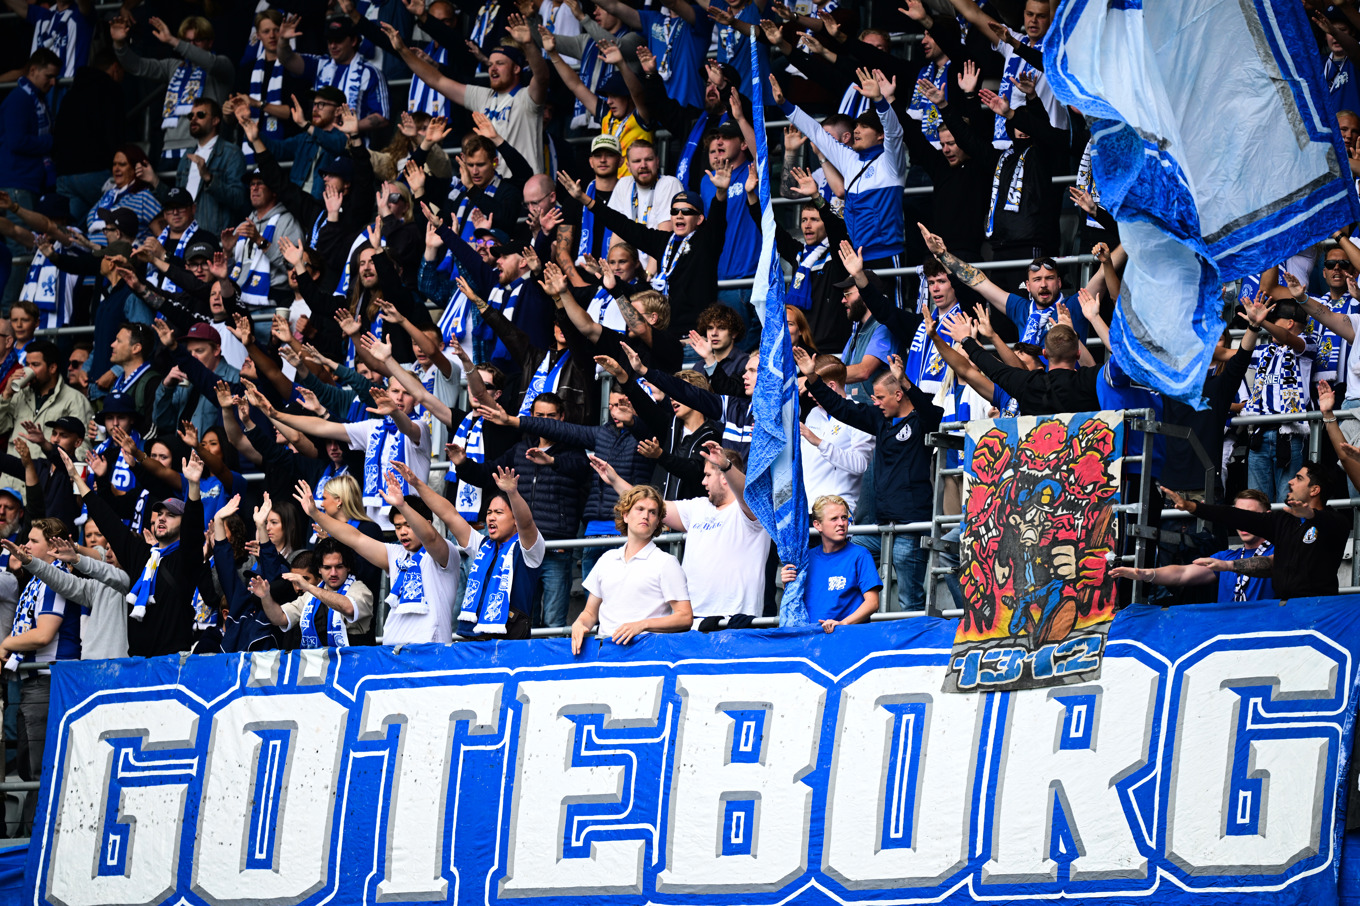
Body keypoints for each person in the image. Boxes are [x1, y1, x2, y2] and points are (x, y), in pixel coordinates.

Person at [795, 348, 943, 612]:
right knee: (849, 550)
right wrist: (812, 378)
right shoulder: (879, 419)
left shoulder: (921, 421)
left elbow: (932, 413)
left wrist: (907, 382)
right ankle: (843, 616)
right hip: (881, 523)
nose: (876, 403)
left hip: (911, 525)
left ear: (899, 395)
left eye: (881, 397)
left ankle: (916, 643)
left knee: (910, 600)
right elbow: (842, 408)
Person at [771, 69, 908, 305]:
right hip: (856, 257)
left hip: (887, 254)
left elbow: (895, 131)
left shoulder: (891, 161)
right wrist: (785, 105)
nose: (856, 130)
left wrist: (879, 100)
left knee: (892, 312)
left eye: (864, 127)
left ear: (880, 135)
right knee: (862, 315)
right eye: (856, 127)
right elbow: (815, 131)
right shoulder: (849, 160)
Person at [591, 441, 769, 619]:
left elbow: (750, 495)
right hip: (693, 620)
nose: (703, 481)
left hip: (735, 618)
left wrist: (726, 466)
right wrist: (614, 480)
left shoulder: (751, 509)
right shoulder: (698, 507)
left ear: (724, 476)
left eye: (707, 475)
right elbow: (648, 505)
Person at [560, 165, 729, 339]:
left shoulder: (706, 241)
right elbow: (624, 225)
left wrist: (721, 194)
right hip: (666, 335)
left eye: (686, 212)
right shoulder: (663, 241)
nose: (679, 215)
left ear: (700, 218)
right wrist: (585, 199)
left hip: (696, 337)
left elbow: (717, 223)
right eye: (674, 211)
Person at [73, 446, 206, 657]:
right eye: (159, 513)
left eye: (171, 515)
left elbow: (194, 530)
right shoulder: (141, 555)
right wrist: (77, 479)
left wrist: (193, 485)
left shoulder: (186, 558)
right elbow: (108, 522)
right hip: (137, 666)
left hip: (172, 666)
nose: (162, 518)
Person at [298, 474, 457, 645]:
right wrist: (315, 513)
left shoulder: (445, 551)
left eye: (408, 525)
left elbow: (430, 538)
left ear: (427, 523)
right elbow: (355, 538)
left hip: (431, 650)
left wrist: (402, 505)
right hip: (392, 651)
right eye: (397, 527)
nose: (402, 532)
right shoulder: (396, 553)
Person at [396, 461, 547, 640]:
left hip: (511, 644)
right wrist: (417, 484)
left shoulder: (529, 550)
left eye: (498, 513)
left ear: (515, 520)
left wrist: (512, 493)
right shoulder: (483, 547)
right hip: (477, 642)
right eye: (489, 512)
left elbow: (527, 523)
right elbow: (450, 515)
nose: (491, 517)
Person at [1160, 460, 1349, 600]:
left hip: (1320, 610)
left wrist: (1311, 515)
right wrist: (1192, 507)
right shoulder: (1283, 520)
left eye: (1298, 478)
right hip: (1283, 610)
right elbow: (1236, 516)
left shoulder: (1336, 522)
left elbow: (1330, 522)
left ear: (1314, 490)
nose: (1291, 482)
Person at [0, 516, 80, 835]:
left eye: (33, 541)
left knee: (39, 772)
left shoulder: (54, 577)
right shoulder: (37, 579)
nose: (25, 546)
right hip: (35, 682)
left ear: (52, 549)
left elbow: (44, 633)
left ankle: (32, 845)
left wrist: (5, 644)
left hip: (47, 682)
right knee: (30, 769)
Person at [383, 19, 549, 174]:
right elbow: (437, 80)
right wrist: (403, 50)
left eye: (500, 64)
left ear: (516, 69)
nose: (492, 69)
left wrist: (528, 44)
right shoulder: (483, 96)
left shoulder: (527, 98)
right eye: (490, 64)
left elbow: (542, 76)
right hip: (494, 189)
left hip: (527, 191)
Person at [919, 222, 1088, 344]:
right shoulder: (1021, 308)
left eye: (1049, 278)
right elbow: (979, 281)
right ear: (1027, 286)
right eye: (1037, 279)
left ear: (1059, 283)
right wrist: (943, 255)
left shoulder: (1073, 304)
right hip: (1031, 384)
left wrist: (1107, 261)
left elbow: (1101, 278)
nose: (1043, 284)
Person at [572, 484, 692, 653]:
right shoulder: (607, 559)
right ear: (626, 515)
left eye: (652, 512)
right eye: (640, 509)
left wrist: (642, 625)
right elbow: (590, 614)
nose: (646, 516)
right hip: (604, 651)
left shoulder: (666, 562)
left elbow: (685, 617)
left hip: (646, 652)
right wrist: (579, 624)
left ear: (658, 521)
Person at [110, 13, 235, 167]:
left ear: (210, 43)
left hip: (205, 148)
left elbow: (208, 62)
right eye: (187, 41)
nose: (191, 45)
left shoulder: (221, 65)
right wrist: (119, 45)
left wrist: (173, 41)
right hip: (170, 149)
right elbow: (138, 67)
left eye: (197, 40)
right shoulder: (174, 66)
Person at [1111, 490, 1275, 603]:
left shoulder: (1280, 550)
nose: (1243, 521)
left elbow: (1271, 563)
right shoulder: (1226, 557)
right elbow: (1182, 574)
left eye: (1250, 515)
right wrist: (1146, 573)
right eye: (1238, 515)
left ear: (1267, 517)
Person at [1242, 298, 1316, 503]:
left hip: (1289, 436)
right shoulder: (1264, 351)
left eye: (1274, 320)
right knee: (1256, 500)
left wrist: (1261, 321)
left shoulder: (1307, 344)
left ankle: (1285, 536)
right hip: (1260, 434)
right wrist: (1252, 324)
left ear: (1289, 323)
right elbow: (1233, 355)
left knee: (1289, 500)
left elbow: (1286, 337)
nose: (1270, 324)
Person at [141, 97, 246, 237]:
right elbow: (177, 198)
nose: (193, 119)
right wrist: (154, 181)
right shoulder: (187, 155)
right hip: (186, 236)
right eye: (191, 116)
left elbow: (238, 199)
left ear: (215, 120)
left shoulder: (232, 153)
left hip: (214, 237)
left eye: (200, 115)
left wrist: (209, 178)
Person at [779, 494, 882, 632]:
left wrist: (843, 623)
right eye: (834, 519)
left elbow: (873, 603)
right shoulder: (806, 559)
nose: (841, 523)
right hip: (811, 638)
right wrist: (787, 583)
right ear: (817, 525)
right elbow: (795, 601)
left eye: (844, 517)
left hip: (848, 637)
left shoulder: (860, 555)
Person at [277, 16, 389, 140]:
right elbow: (287, 59)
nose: (333, 46)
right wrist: (282, 41)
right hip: (320, 147)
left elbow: (381, 117)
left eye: (338, 40)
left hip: (353, 149)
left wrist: (349, 127)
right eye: (330, 41)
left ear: (353, 41)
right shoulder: (320, 64)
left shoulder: (370, 73)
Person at [800, 355, 874, 514]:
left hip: (837, 513)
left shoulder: (859, 414)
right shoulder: (813, 413)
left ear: (831, 386)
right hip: (806, 509)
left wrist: (820, 442)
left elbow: (860, 465)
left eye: (813, 387)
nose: (810, 394)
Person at [0, 339, 94, 457]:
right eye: (27, 365)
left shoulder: (75, 400)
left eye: (35, 365)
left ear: (52, 368)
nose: (28, 370)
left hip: (46, 474)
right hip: (13, 474)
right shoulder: (18, 395)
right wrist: (6, 395)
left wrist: (61, 472)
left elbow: (82, 447)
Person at [229, 170, 303, 308]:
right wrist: (227, 252)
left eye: (260, 183)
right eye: (252, 184)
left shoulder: (288, 222)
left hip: (270, 306)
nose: (254, 188)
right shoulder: (243, 225)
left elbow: (296, 267)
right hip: (240, 304)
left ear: (274, 191)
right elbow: (231, 271)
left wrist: (260, 241)